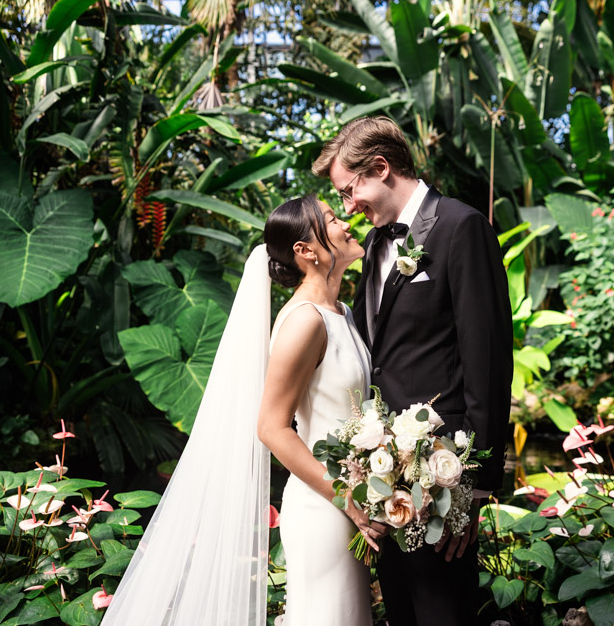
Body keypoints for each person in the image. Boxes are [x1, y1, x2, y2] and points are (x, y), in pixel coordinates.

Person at [102, 196, 376, 626]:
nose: (347, 224)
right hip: (325, 508)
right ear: (305, 251)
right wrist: (349, 499)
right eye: (332, 219)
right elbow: (271, 427)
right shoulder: (304, 320)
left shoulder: (341, 313)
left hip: (350, 506)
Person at [313, 116, 513, 626]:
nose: (347, 206)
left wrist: (475, 486)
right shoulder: (377, 244)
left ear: (379, 168)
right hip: (385, 477)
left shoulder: (461, 227)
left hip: (445, 476)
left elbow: (487, 360)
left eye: (348, 189)